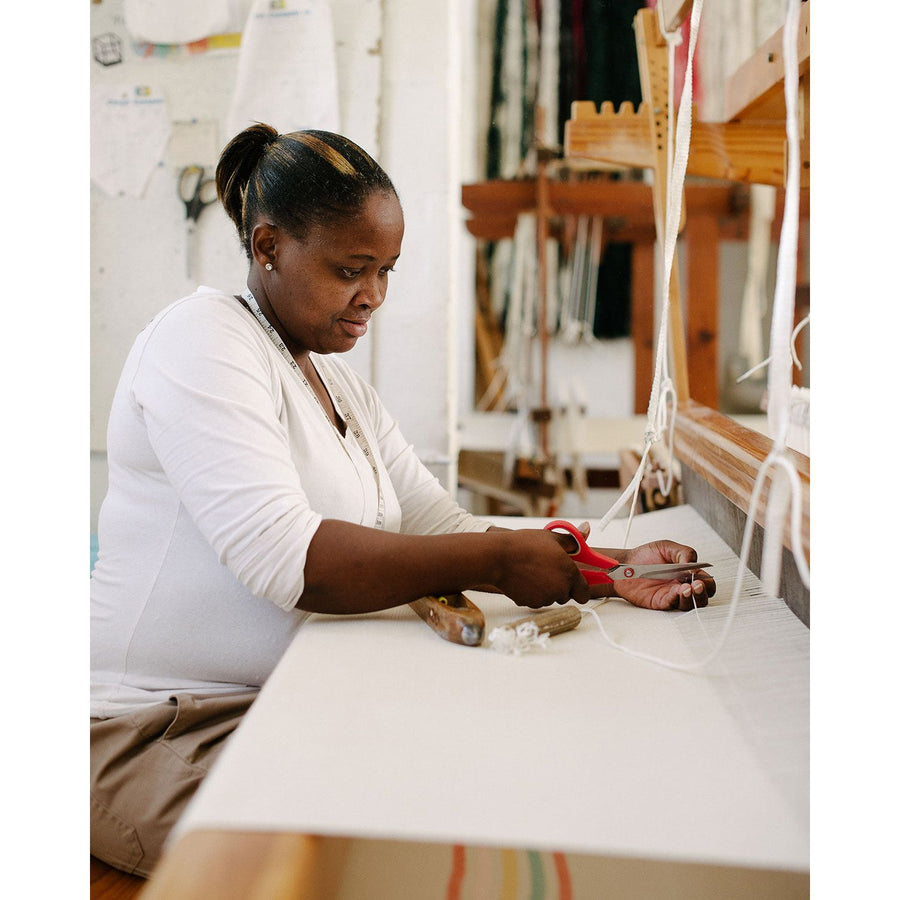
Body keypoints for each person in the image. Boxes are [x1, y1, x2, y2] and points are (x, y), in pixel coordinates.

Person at [90, 123, 715, 877]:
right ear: (267, 247)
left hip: (289, 703)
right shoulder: (199, 341)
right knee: (353, 862)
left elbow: (437, 525)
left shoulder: (336, 381)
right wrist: (497, 557)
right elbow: (292, 562)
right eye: (353, 269)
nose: (374, 297)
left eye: (387, 270)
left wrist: (611, 566)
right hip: (155, 730)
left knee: (484, 786)